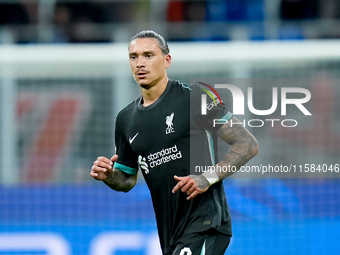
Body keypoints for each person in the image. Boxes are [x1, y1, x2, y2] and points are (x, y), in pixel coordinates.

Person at [90, 30, 259, 255]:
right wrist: (109, 175)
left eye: (148, 55)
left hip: (206, 222)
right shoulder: (125, 119)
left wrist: (206, 178)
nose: (140, 63)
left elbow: (247, 143)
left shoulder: (194, 98)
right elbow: (127, 179)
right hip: (170, 232)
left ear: (167, 60)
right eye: (134, 57)